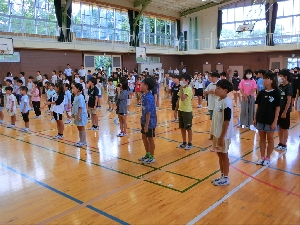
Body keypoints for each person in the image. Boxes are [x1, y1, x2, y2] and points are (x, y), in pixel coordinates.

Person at [210, 79, 234, 186]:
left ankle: (226, 177)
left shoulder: (227, 103)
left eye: (219, 88)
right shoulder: (217, 100)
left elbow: (226, 121)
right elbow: (215, 119)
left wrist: (222, 137)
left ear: (225, 90)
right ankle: (222, 175)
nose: (216, 89)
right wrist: (212, 133)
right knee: (219, 155)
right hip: (217, 133)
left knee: (224, 155)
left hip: (223, 135)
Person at [254, 72, 280, 166]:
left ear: (272, 80)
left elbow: (277, 108)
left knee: (270, 139)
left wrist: (275, 121)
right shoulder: (261, 93)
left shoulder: (276, 93)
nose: (264, 80)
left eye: (266, 78)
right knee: (261, 139)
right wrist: (255, 118)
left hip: (270, 119)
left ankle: (268, 157)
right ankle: (262, 157)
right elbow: (258, 106)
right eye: (264, 78)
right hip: (261, 118)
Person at [138, 78, 157, 164]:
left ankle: (152, 157)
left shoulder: (149, 97)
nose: (140, 85)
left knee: (150, 138)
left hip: (149, 122)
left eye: (142, 84)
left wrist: (146, 124)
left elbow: (149, 112)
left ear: (146, 86)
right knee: (144, 137)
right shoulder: (144, 96)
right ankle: (147, 154)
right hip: (144, 120)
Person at [175, 73, 193, 150]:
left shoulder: (188, 89)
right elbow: (179, 99)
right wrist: (175, 110)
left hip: (187, 111)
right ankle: (184, 142)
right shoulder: (181, 89)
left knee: (188, 128)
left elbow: (183, 98)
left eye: (183, 80)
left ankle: (189, 143)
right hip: (181, 110)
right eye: (181, 80)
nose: (181, 81)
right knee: (182, 128)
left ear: (187, 81)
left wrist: (181, 89)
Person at [276, 69, 292, 151]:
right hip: (279, 109)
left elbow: (289, 101)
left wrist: (285, 111)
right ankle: (280, 142)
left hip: (285, 111)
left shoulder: (288, 87)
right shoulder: (280, 86)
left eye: (281, 76)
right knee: (280, 127)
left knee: (284, 128)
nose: (280, 77)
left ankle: (284, 144)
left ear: (285, 77)